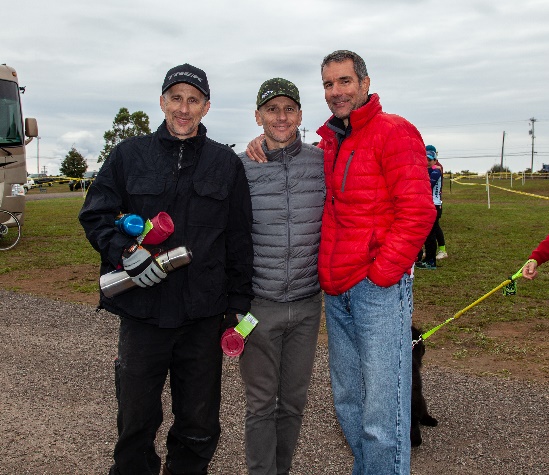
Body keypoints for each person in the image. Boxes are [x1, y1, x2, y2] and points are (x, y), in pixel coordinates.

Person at [247, 50, 435, 474]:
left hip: (376, 290)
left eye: (345, 81)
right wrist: (260, 144)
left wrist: (384, 272)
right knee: (349, 402)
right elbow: (292, 164)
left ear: (364, 83)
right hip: (337, 291)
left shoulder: (395, 131)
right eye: (329, 84)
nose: (337, 91)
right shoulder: (332, 142)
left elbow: (419, 210)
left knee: (383, 409)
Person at [79, 63, 254, 475]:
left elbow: (239, 240)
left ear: (206, 107)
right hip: (143, 315)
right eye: (176, 98)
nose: (183, 108)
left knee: (198, 425)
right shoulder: (128, 155)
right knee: (136, 423)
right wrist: (125, 252)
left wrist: (238, 306)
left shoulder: (225, 164)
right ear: (162, 101)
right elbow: (96, 214)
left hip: (202, 319)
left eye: (193, 100)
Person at [238, 78, 325, 475]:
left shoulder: (321, 161)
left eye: (289, 109)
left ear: (301, 115)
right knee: (260, 404)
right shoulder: (241, 167)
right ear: (258, 116)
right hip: (258, 307)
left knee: (293, 402)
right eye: (272, 109)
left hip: (307, 305)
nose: (281, 117)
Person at [416, 149, 443, 270]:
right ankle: (426, 258)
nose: (427, 161)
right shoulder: (429, 170)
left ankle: (431, 261)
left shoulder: (436, 172)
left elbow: (426, 185)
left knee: (430, 234)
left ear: (435, 161)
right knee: (427, 233)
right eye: (425, 159)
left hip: (434, 205)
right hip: (427, 204)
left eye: (429, 160)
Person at [426, 144, 448, 259]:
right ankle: (431, 251)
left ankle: (442, 250)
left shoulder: (437, 167)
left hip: (435, 201)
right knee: (431, 229)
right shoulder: (428, 165)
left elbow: (431, 184)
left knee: (434, 229)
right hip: (430, 201)